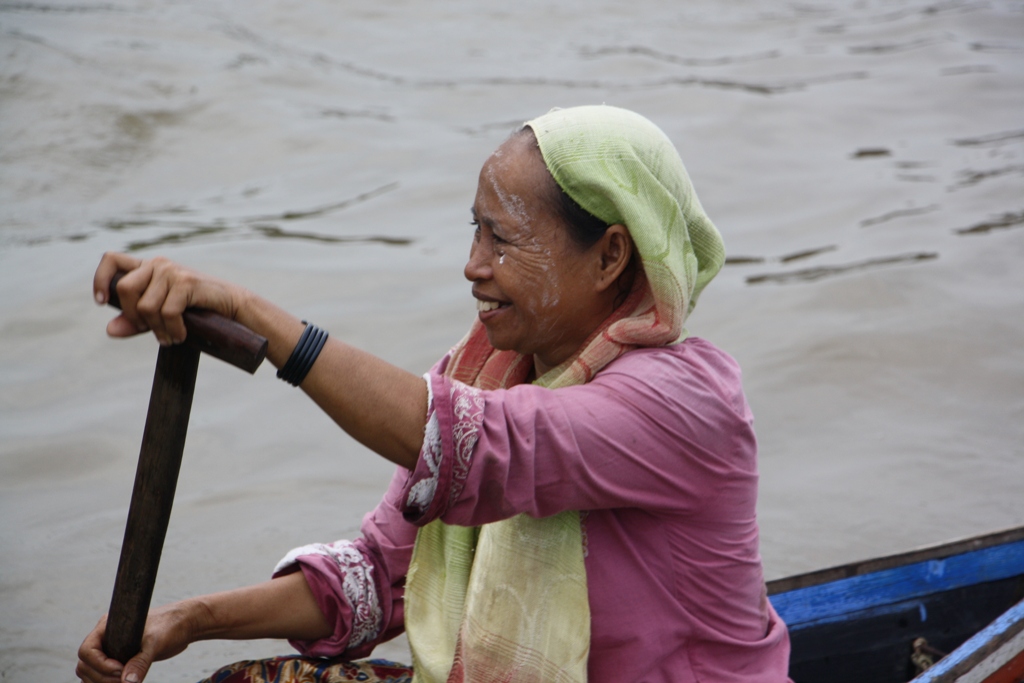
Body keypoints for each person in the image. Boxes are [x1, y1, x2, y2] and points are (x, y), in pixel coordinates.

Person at [77, 105, 792, 683]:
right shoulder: (487, 369)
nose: (472, 266)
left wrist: (249, 312)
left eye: (503, 239)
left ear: (609, 255)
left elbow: (477, 447)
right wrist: (184, 620)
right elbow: (376, 575)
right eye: (473, 231)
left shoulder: (683, 399)